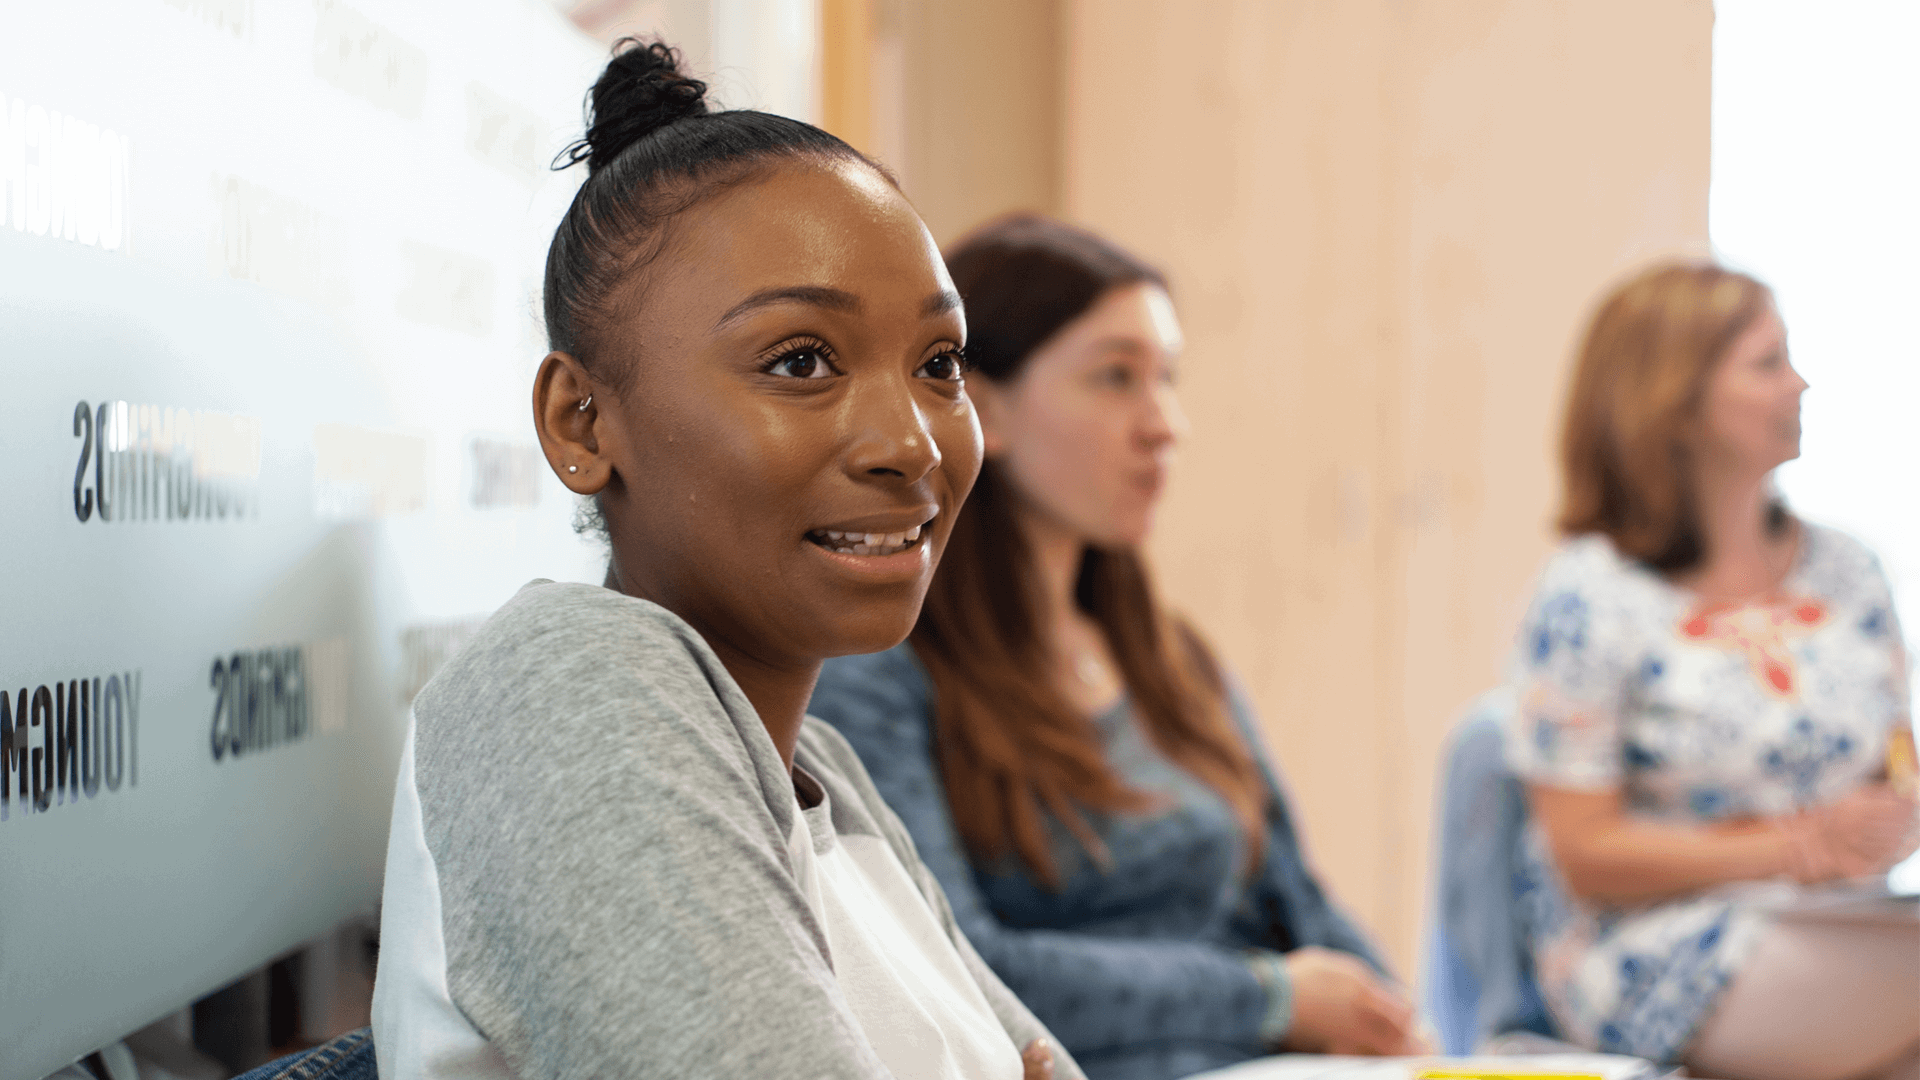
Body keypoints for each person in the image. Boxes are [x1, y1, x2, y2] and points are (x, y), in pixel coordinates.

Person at [368, 42, 1079, 1080]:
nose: (916, 442)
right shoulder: (567, 685)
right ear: (582, 419)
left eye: (939, 365)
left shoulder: (826, 774)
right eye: (801, 361)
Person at [808, 215, 1423, 1080]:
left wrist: (1410, 1035)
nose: (1165, 424)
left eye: (1168, 379)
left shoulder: (1171, 659)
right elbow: (960, 967)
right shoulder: (882, 669)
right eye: (1116, 378)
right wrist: (1268, 998)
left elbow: (1299, 901)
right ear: (982, 409)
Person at [1505, 261, 1920, 1079]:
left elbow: (1894, 760)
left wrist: (1888, 816)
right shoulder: (1589, 595)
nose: (1800, 383)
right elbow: (1586, 852)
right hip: (1659, 947)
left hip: (1841, 923)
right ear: (1677, 401)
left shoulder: (1850, 571)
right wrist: (1793, 845)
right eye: (1768, 364)